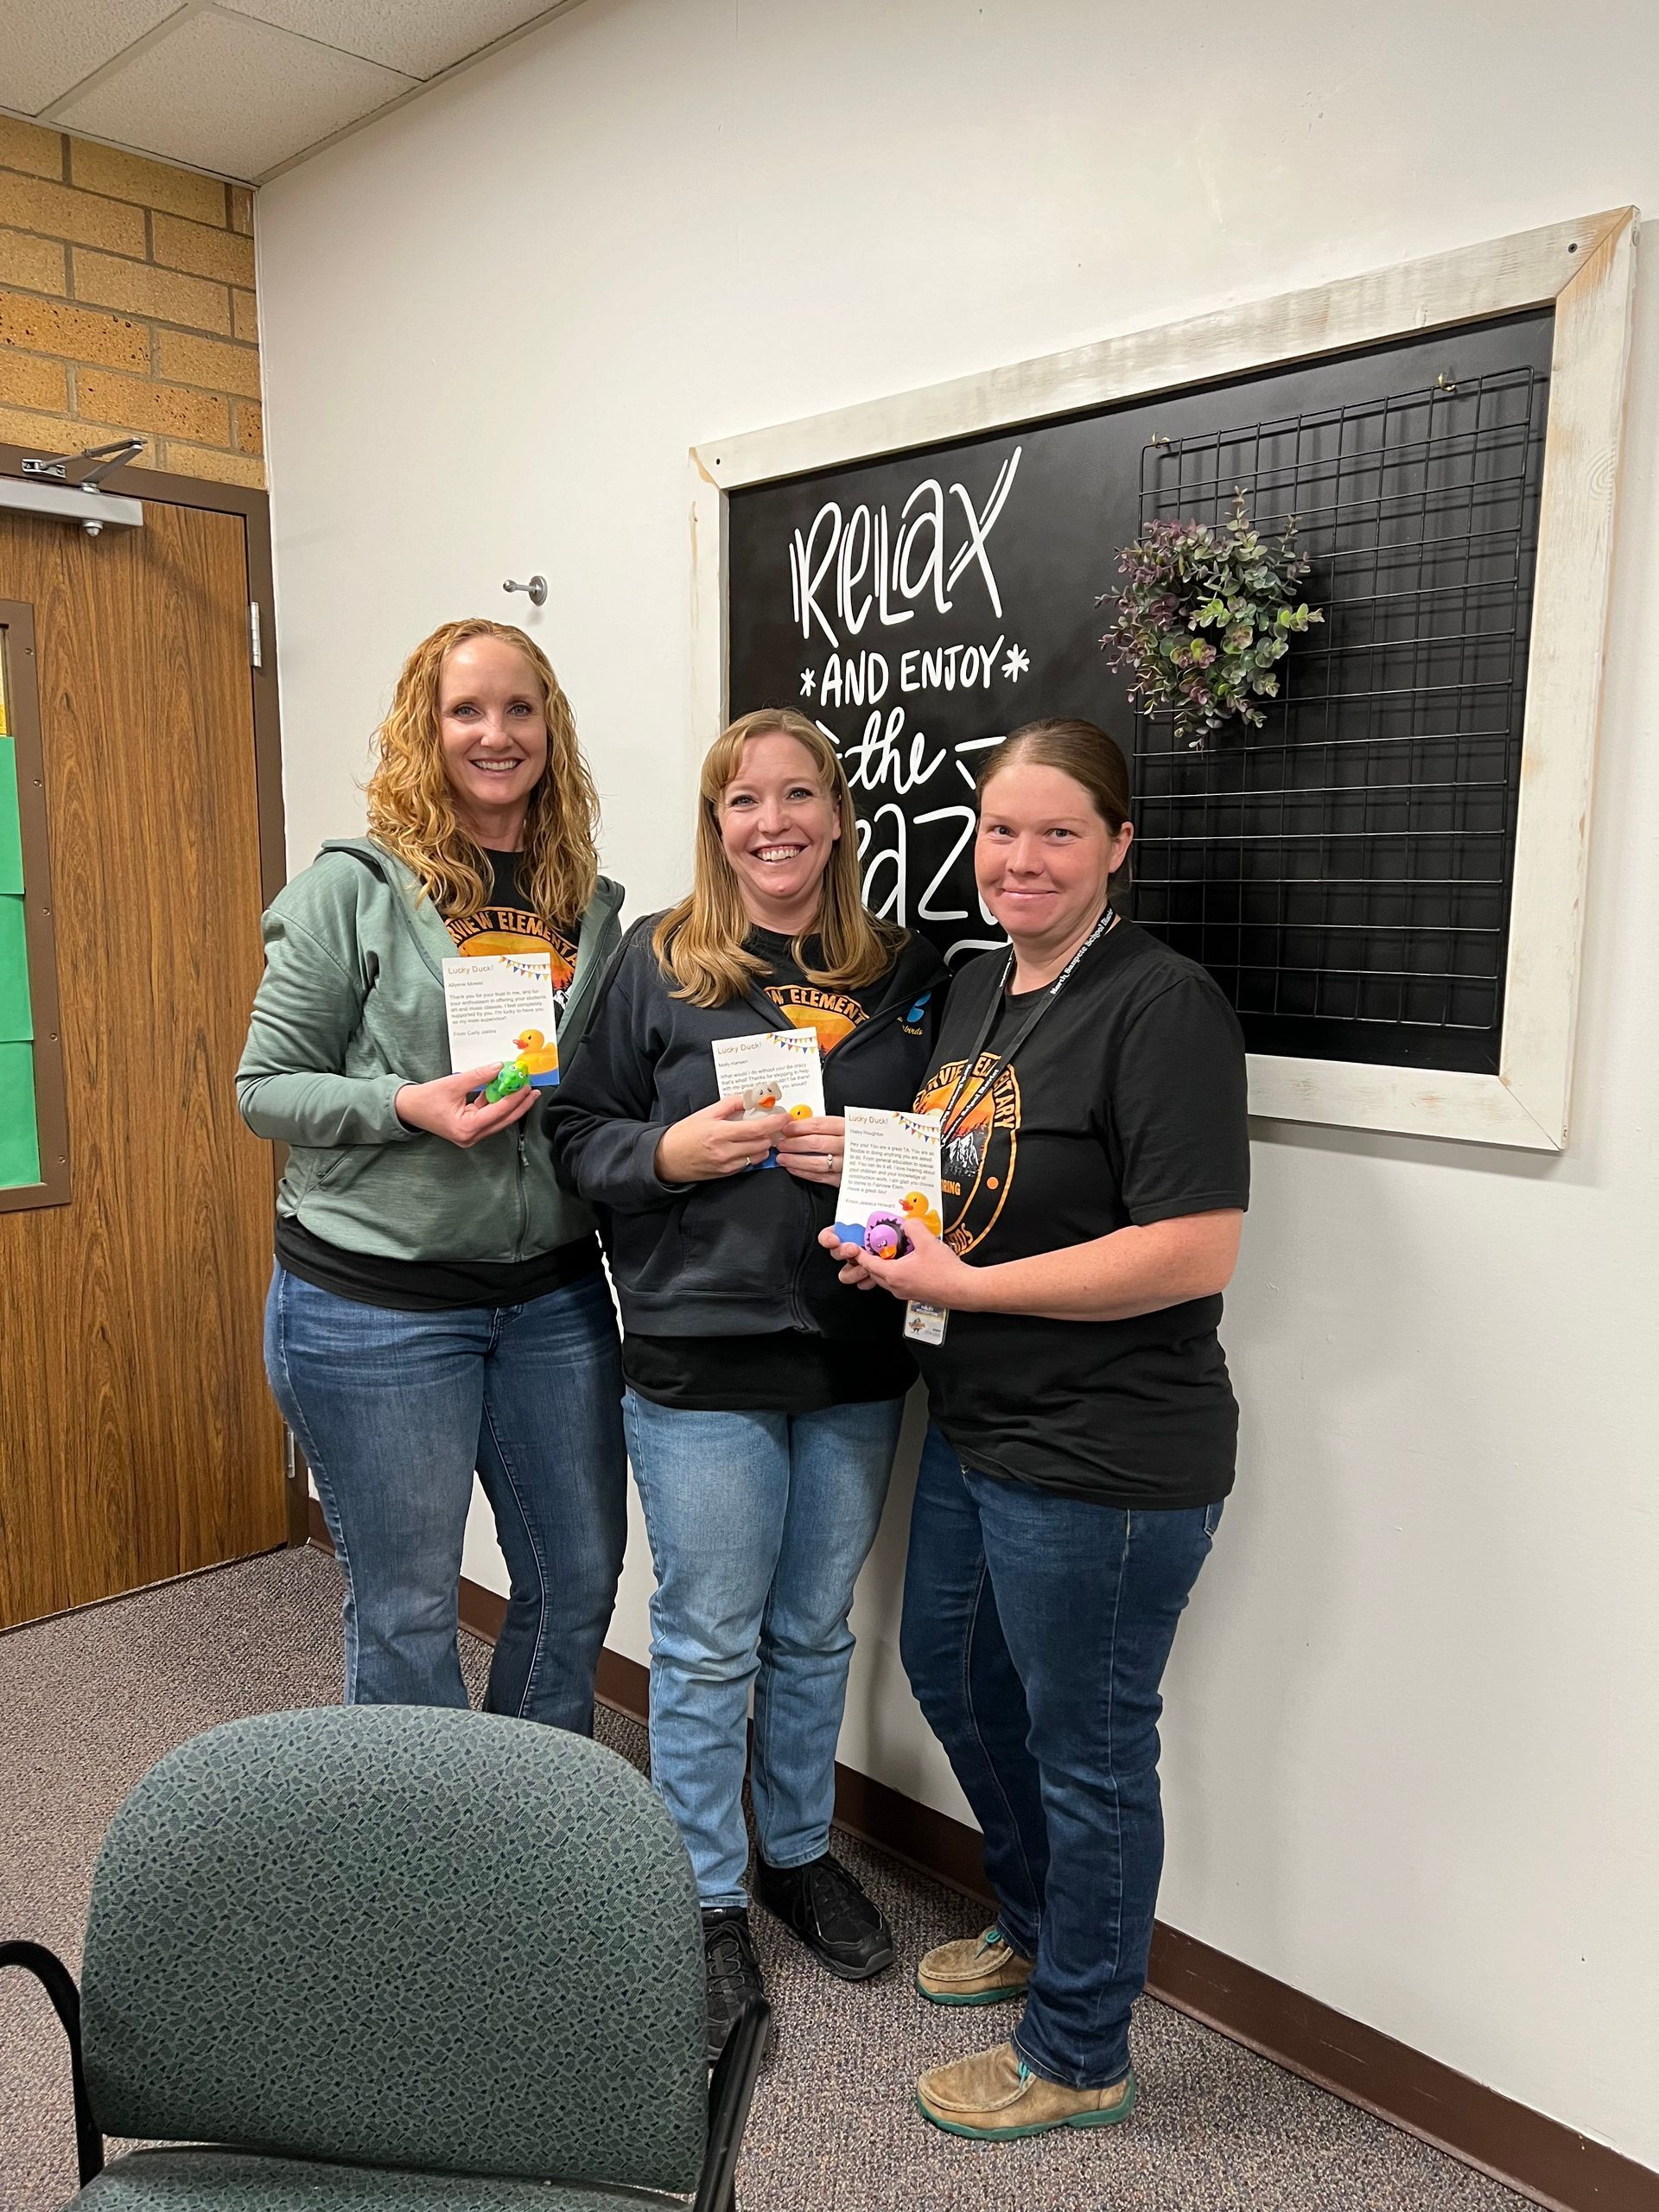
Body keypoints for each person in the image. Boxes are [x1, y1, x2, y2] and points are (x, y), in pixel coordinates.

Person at [822, 718, 1249, 2140]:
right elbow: (967, 1159)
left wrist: (968, 1285)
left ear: (1118, 845)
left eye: (1058, 833)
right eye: (1001, 831)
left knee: (1092, 1744)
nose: (1021, 859)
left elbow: (1193, 1249)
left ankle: (1079, 2052)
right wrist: (876, 1206)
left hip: (1108, 1447)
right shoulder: (973, 984)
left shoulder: (1163, 1003)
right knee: (950, 1665)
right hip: (978, 1413)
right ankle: (1036, 1916)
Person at [547, 707, 948, 2062]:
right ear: (715, 822)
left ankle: (793, 1850)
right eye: (742, 800)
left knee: (815, 1626)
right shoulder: (660, 961)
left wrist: (880, 1151)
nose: (771, 822)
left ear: (839, 815)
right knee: (713, 1634)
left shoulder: (904, 970)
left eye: (797, 796)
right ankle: (707, 1895)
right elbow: (574, 1131)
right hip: (701, 1355)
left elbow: (949, 1144)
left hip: (853, 1349)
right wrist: (673, 1157)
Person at [237, 618, 627, 1733]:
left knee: (576, 1582)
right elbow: (262, 1089)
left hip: (552, 1297)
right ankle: (422, 1866)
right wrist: (404, 1107)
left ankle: (529, 1819)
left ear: (549, 728)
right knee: (408, 1608)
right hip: (375, 1309)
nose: (496, 734)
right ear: (427, 727)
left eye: (520, 709)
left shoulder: (583, 902)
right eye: (468, 710)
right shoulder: (350, 892)